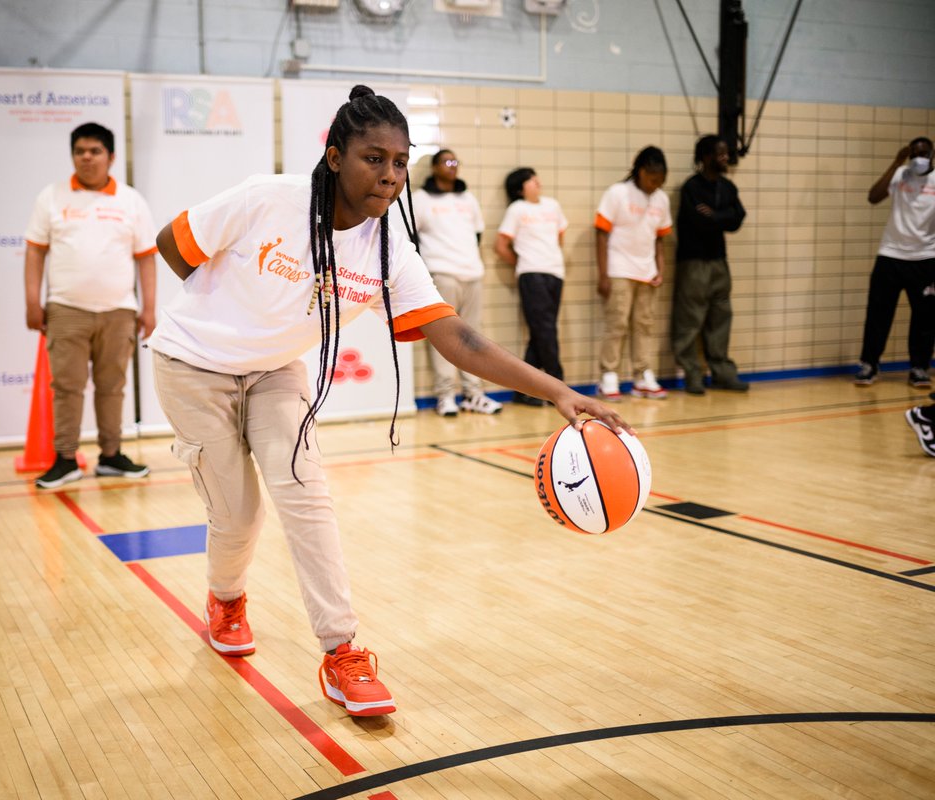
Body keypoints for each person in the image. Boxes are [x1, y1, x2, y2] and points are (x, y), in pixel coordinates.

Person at [149, 86, 629, 717]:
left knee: (306, 493)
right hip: (193, 364)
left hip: (274, 373)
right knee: (238, 515)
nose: (390, 175)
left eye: (400, 162)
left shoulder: (388, 249)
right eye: (374, 158)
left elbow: (459, 337)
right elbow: (172, 243)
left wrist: (562, 393)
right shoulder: (268, 199)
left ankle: (341, 651)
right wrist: (226, 312)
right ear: (334, 157)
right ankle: (226, 597)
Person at [23, 122, 158, 489]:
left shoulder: (130, 200)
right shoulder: (51, 197)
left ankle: (111, 456)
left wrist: (149, 308)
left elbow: (146, 257)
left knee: (112, 386)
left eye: (95, 151)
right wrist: (32, 301)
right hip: (66, 309)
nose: (87, 157)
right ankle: (65, 458)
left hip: (119, 310)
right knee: (66, 387)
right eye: (80, 150)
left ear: (110, 157)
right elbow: (35, 252)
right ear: (72, 156)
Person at [412, 148, 501, 416]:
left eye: (455, 161)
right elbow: (411, 237)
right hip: (442, 273)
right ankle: (445, 395)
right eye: (446, 161)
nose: (452, 166)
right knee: (444, 338)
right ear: (434, 167)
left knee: (473, 337)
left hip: (472, 273)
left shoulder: (468, 198)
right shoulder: (421, 198)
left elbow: (477, 235)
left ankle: (474, 394)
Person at [854, 136, 935, 389]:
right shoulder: (901, 173)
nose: (918, 158)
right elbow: (873, 196)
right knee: (878, 313)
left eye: (922, 153)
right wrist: (897, 161)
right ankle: (870, 364)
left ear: (932, 155)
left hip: (924, 257)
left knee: (925, 317)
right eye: (914, 154)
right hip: (890, 255)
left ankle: (919, 368)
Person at [671, 135, 749, 395]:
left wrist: (715, 215)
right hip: (693, 262)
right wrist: (721, 218)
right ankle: (692, 374)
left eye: (726, 153)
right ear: (706, 157)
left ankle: (722, 372)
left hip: (719, 261)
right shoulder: (692, 187)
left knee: (721, 317)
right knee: (690, 319)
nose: (726, 157)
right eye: (721, 153)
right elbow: (698, 221)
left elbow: (738, 218)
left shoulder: (727, 187)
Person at [595, 146, 672, 401]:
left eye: (660, 180)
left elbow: (660, 240)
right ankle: (609, 375)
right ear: (640, 172)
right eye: (651, 178)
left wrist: (660, 269)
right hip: (619, 269)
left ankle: (643, 376)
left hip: (647, 272)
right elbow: (601, 234)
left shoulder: (661, 199)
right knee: (617, 324)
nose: (655, 184)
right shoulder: (617, 193)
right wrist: (603, 275)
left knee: (645, 325)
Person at [495, 167, 568, 407]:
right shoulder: (517, 209)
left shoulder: (553, 205)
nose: (536, 181)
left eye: (535, 177)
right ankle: (559, 385)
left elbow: (559, 237)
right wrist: (523, 263)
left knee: (541, 333)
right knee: (545, 330)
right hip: (531, 274)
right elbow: (501, 245)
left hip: (555, 273)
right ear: (519, 188)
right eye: (529, 180)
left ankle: (524, 390)